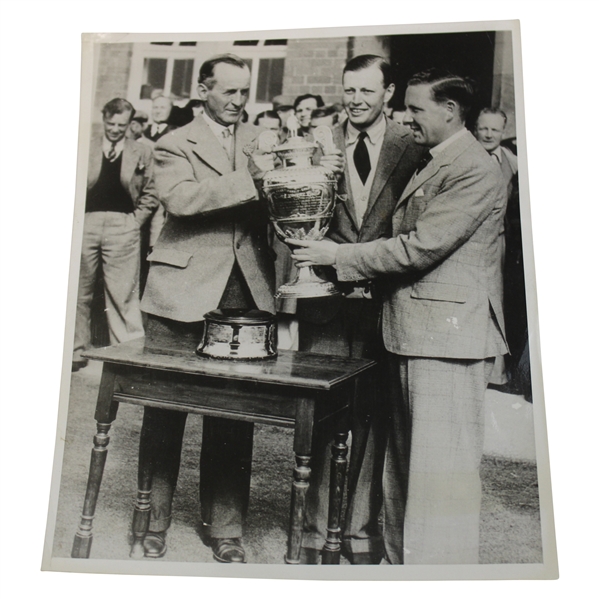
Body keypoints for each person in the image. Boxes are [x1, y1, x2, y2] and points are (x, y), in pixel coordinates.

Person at [290, 69, 509, 565]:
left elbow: (420, 247)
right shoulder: (438, 158)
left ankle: (437, 575)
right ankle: (402, 566)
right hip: (417, 334)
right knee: (406, 468)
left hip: (447, 341)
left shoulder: (472, 167)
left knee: (441, 473)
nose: (408, 121)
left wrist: (338, 257)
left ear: (450, 112)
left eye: (417, 110)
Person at [138, 53, 342, 564]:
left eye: (243, 92)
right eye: (228, 91)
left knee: (235, 419)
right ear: (203, 89)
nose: (237, 101)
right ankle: (151, 523)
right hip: (179, 294)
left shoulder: (262, 140)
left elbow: (288, 202)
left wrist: (312, 170)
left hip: (245, 292)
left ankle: (226, 530)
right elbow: (182, 200)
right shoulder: (172, 142)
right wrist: (256, 178)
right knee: (165, 412)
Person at [297, 55, 424, 565]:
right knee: (323, 419)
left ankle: (358, 533)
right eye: (349, 90)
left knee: (372, 421)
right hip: (326, 304)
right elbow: (297, 218)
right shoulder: (317, 141)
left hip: (384, 305)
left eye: (367, 91)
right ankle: (313, 532)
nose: (355, 100)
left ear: (387, 93)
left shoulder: (412, 145)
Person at [73, 98, 157, 371]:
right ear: (103, 119)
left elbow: (151, 192)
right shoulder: (83, 145)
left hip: (124, 225)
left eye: (122, 124)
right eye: (111, 124)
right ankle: (75, 351)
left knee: (123, 294)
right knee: (78, 291)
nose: (115, 130)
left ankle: (129, 355)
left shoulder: (142, 152)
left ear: (130, 123)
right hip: (85, 222)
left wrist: (136, 221)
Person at [475, 108, 528, 396]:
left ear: (503, 131)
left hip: (499, 242)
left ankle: (496, 371)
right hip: (471, 240)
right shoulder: (469, 155)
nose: (488, 134)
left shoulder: (511, 161)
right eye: (483, 128)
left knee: (497, 301)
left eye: (494, 130)